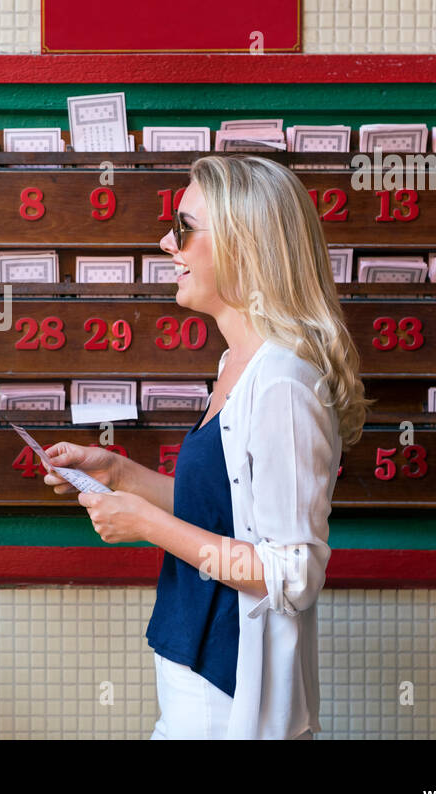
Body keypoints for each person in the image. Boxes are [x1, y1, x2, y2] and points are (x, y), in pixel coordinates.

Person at [42, 155, 370, 739]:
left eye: (185, 227)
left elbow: (290, 572)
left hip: (230, 687)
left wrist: (144, 522)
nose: (167, 242)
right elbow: (227, 513)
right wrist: (118, 473)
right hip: (191, 669)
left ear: (245, 244)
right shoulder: (235, 365)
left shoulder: (282, 383)